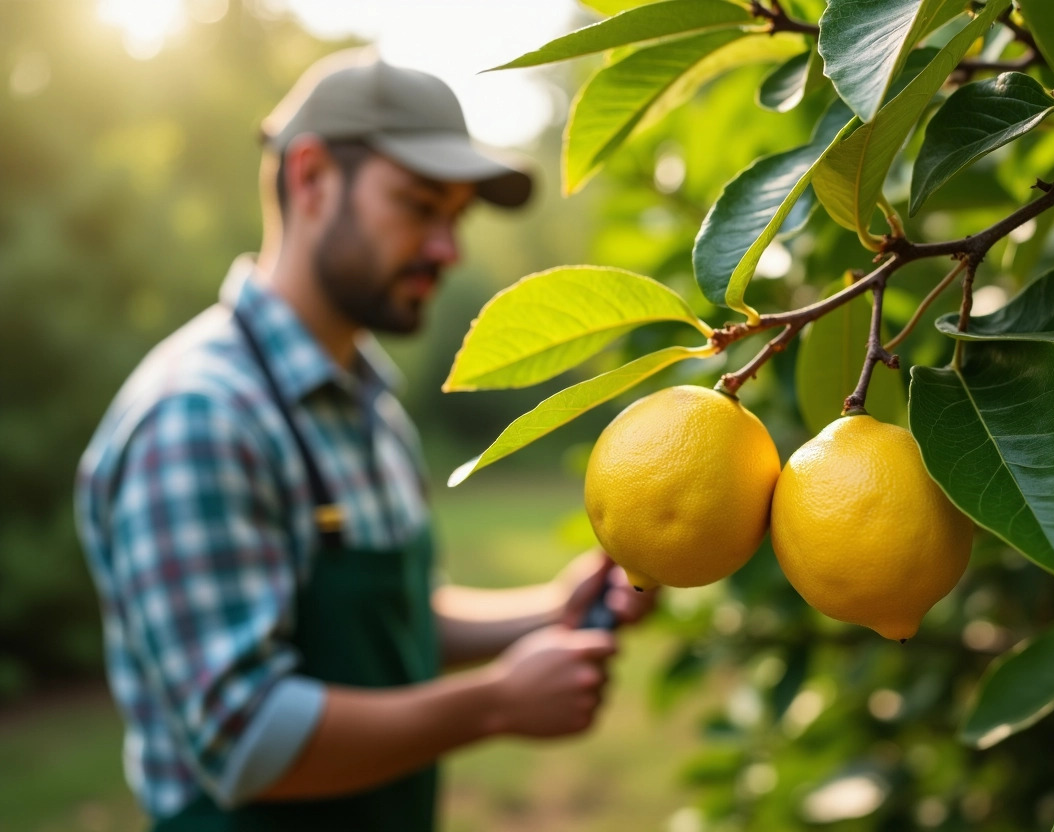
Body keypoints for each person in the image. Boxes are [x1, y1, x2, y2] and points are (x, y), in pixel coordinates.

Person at [75, 48, 656, 831]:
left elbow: (399, 619)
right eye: (420, 206)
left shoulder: (367, 401)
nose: (449, 249)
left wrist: (552, 609)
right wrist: (493, 706)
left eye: (455, 218)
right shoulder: (197, 415)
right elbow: (243, 739)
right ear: (311, 178)